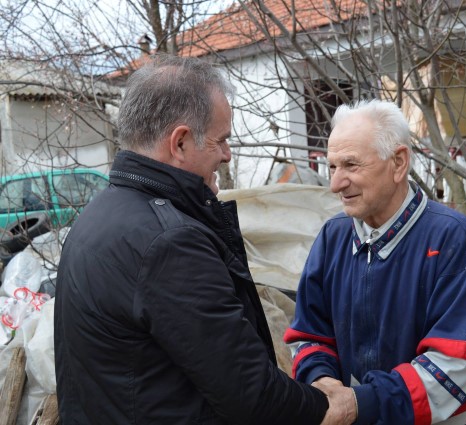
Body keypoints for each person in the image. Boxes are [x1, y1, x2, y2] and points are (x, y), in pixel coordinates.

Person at [54, 54, 355, 425]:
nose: (227, 155)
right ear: (180, 143)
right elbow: (252, 396)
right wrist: (331, 408)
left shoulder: (97, 217)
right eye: (221, 141)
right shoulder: (169, 243)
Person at [284, 99, 466, 424]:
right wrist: (324, 385)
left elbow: (457, 362)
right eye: (332, 167)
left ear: (398, 163)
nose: (336, 184)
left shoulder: (451, 238)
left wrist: (360, 404)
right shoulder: (332, 237)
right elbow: (309, 334)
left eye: (351, 165)